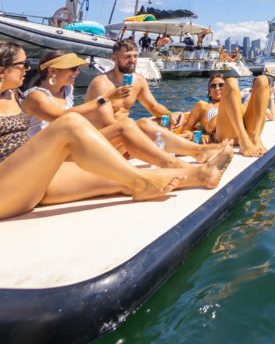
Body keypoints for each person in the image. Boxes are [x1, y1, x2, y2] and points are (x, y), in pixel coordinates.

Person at [0, 42, 232, 221]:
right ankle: (143, 181)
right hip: (7, 186)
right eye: (22, 65)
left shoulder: (16, 95)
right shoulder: (35, 96)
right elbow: (62, 119)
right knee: (71, 124)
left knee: (117, 180)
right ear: (2, 70)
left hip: (31, 181)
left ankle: (201, 173)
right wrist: (106, 100)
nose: (26, 69)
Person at [86, 39, 231, 162]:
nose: (132, 61)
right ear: (114, 58)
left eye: (135, 56)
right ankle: (197, 151)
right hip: (103, 140)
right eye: (127, 56)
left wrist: (170, 115)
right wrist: (132, 141)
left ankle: (186, 146)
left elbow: (153, 106)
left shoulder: (138, 81)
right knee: (143, 124)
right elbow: (106, 123)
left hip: (124, 135)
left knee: (166, 120)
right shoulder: (101, 83)